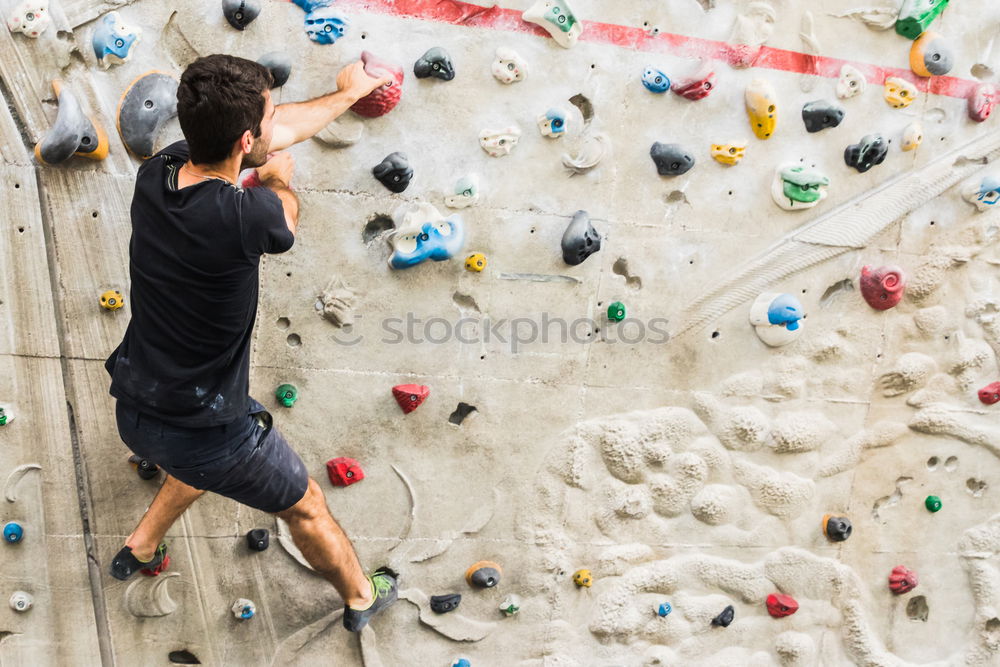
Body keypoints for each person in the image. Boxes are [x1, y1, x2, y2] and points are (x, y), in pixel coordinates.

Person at [105, 54, 396, 632]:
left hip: (138, 403)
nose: (273, 126)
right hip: (209, 428)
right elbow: (283, 217)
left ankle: (141, 547)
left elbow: (275, 129)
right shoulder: (251, 215)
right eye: (263, 121)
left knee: (196, 461)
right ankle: (362, 596)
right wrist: (279, 177)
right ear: (244, 139)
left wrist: (345, 95)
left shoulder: (159, 173)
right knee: (306, 503)